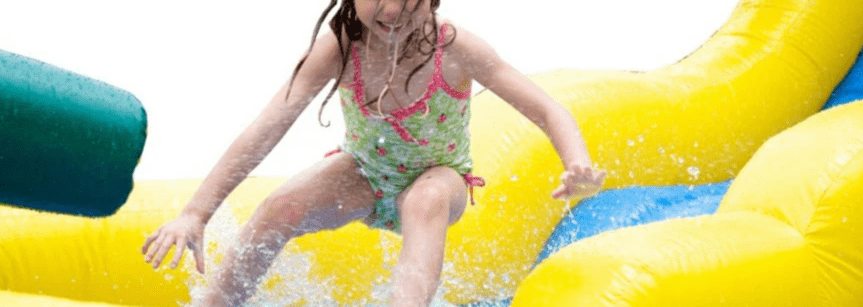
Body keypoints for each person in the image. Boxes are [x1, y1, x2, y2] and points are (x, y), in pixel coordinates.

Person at [141, 0, 606, 306]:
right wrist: (195, 214)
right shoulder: (338, 50)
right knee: (279, 208)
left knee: (425, 199)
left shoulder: (455, 48)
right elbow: (265, 130)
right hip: (364, 173)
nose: (393, 9)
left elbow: (548, 109)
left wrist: (577, 164)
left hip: (439, 177)